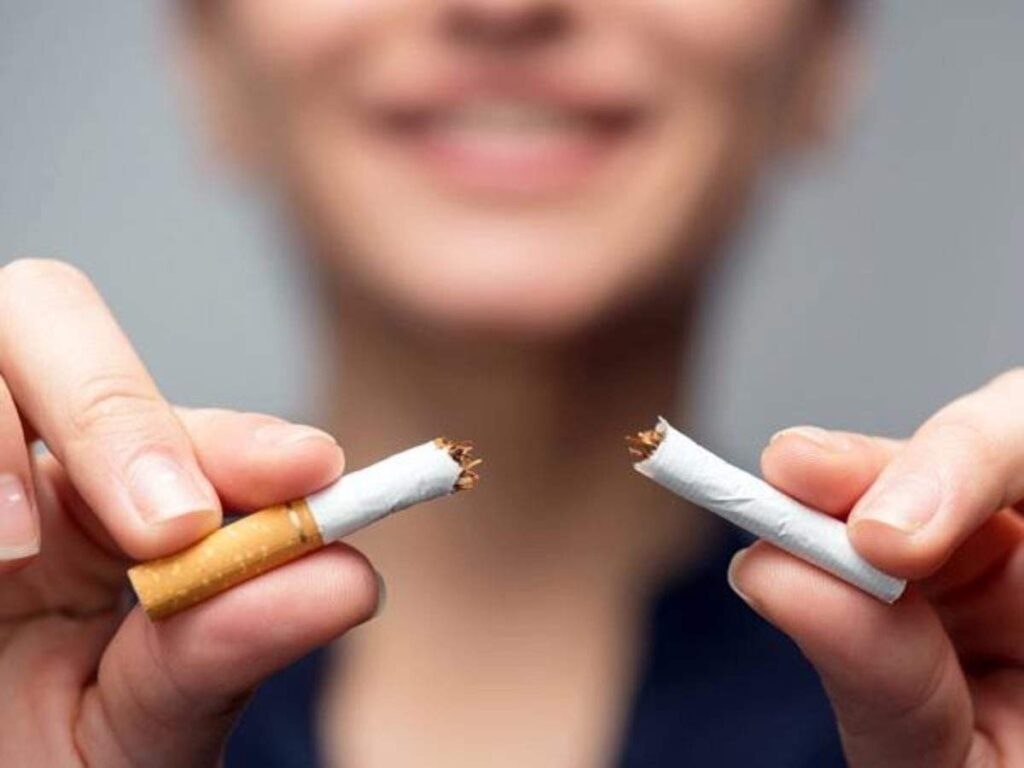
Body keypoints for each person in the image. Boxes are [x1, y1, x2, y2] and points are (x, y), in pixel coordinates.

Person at [0, 1, 1020, 766]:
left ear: (827, 53)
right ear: (207, 58)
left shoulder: (974, 691)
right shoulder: (51, 663)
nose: (503, 8)